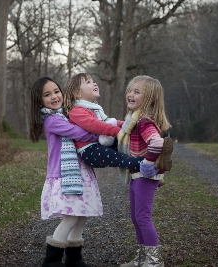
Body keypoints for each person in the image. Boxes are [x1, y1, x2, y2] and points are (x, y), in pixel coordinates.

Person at [29, 76, 101, 267]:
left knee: (81, 215)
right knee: (70, 217)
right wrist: (98, 132)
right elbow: (79, 133)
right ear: (40, 101)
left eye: (56, 91)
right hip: (64, 175)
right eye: (47, 94)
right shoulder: (52, 120)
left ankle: (74, 258)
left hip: (81, 172)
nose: (54, 96)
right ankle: (51, 260)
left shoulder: (67, 114)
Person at [118, 75, 173, 267]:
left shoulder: (144, 122)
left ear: (149, 99)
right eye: (130, 90)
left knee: (142, 217)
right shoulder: (133, 121)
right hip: (136, 175)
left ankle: (155, 262)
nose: (130, 94)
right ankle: (141, 260)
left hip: (145, 175)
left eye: (137, 91)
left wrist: (148, 163)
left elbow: (157, 142)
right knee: (135, 217)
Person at [63, 73, 156, 175]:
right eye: (88, 82)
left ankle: (151, 160)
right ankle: (148, 165)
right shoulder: (76, 111)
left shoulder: (94, 108)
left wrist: (129, 126)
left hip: (100, 144)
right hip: (89, 151)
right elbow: (95, 125)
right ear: (77, 93)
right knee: (120, 158)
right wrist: (118, 132)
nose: (94, 84)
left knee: (129, 147)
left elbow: (110, 121)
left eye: (93, 81)